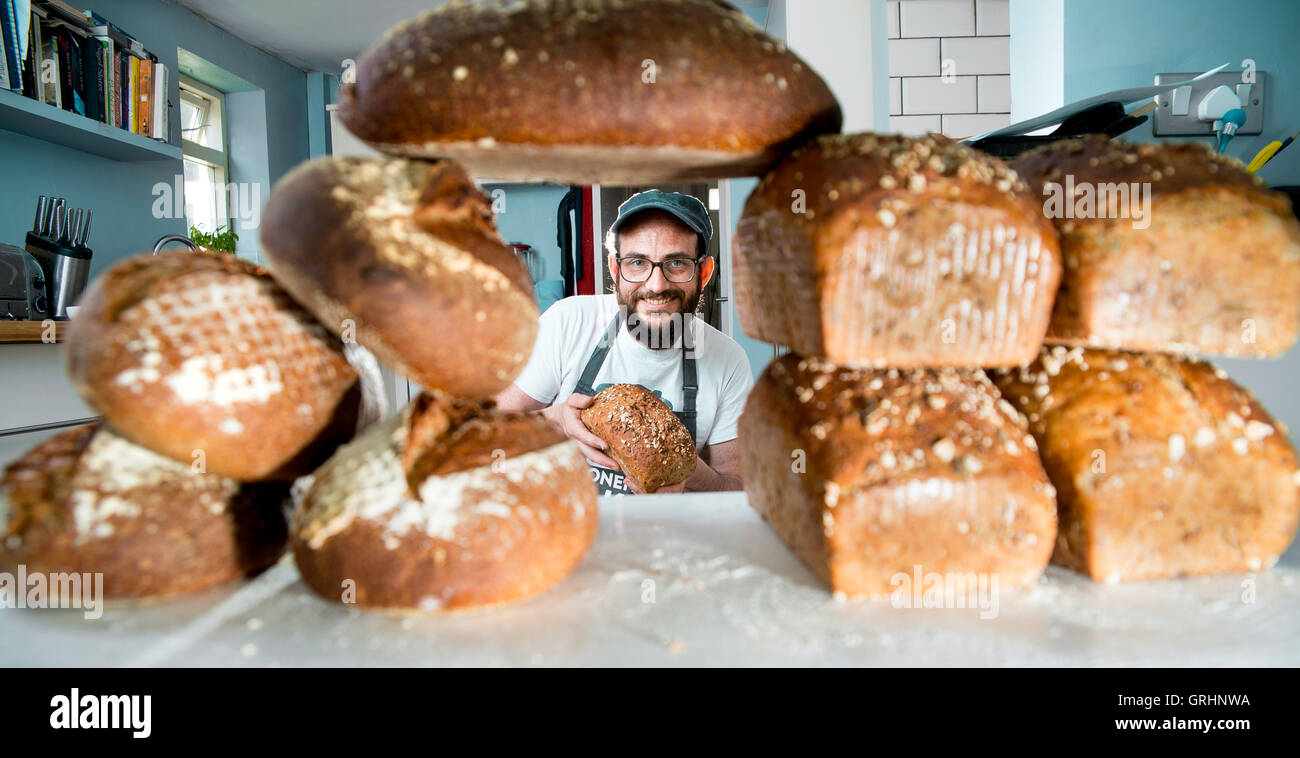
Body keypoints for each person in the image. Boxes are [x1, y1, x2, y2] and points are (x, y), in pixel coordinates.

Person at [494, 190, 754, 495]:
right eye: (638, 263)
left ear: (704, 272)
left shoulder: (728, 361)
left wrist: (686, 473)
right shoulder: (567, 323)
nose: (656, 285)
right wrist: (556, 419)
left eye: (677, 263)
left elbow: (738, 488)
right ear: (615, 270)